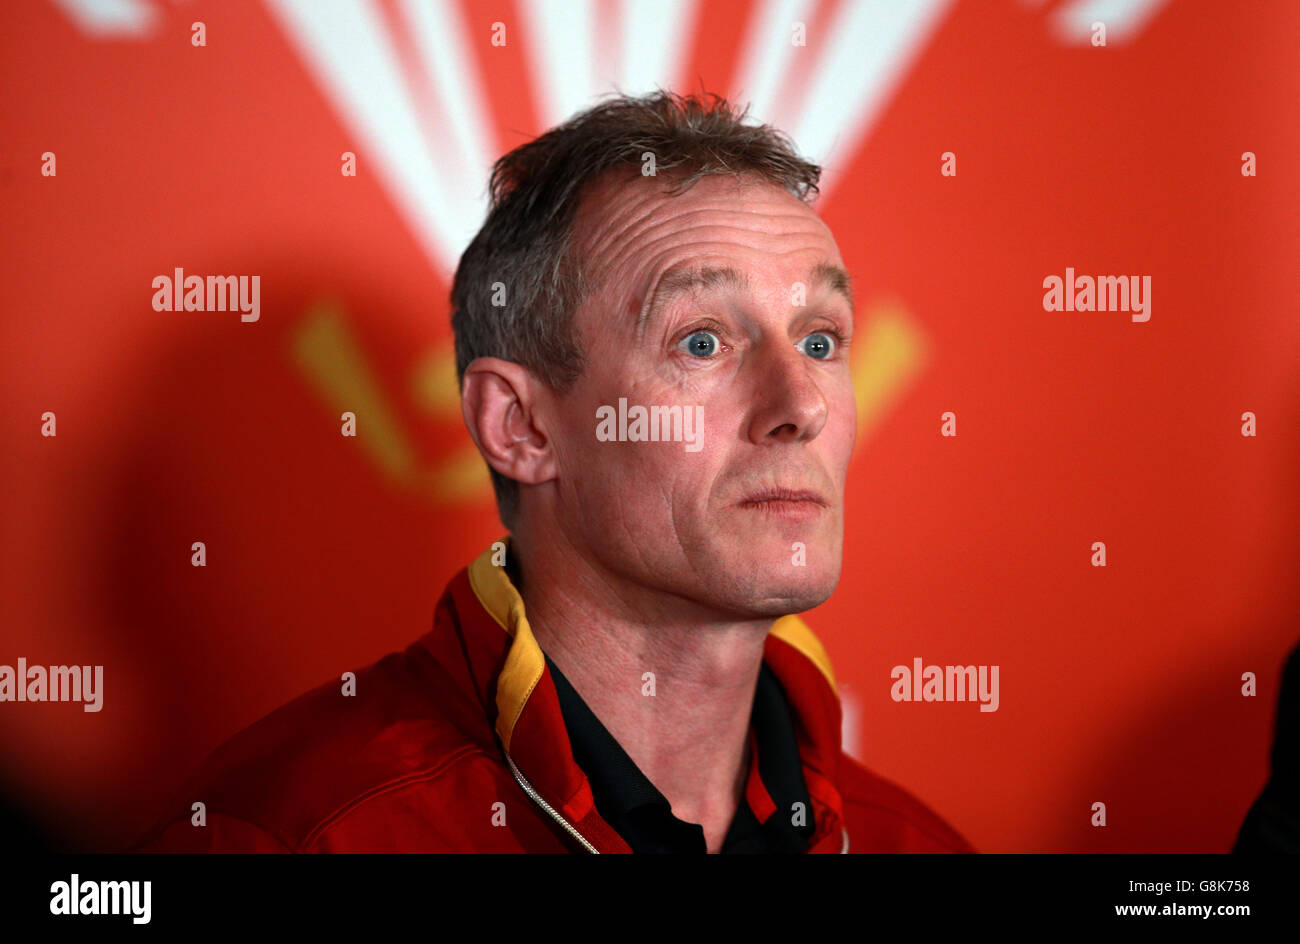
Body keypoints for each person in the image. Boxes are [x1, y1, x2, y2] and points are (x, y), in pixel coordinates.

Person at [134, 90, 973, 854]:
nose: (803, 405)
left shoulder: (913, 843)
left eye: (820, 340)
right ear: (522, 427)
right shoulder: (296, 830)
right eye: (703, 341)